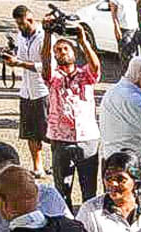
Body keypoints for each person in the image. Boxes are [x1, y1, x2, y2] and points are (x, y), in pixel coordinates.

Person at [40, 18, 101, 210]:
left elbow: (96, 66)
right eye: (58, 50)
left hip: (87, 137)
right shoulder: (54, 76)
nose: (62, 52)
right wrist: (47, 34)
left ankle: (88, 221)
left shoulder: (85, 74)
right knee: (62, 189)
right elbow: (45, 64)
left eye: (66, 48)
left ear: (74, 53)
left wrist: (83, 41)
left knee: (89, 189)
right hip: (61, 138)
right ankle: (64, 221)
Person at [99, 56, 141, 196]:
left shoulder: (116, 90)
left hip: (116, 160)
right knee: (135, 203)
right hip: (132, 166)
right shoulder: (133, 99)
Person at [3, 6, 50, 177]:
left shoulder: (45, 37)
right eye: (17, 24)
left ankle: (57, 162)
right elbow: (21, 57)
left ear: (30, 20)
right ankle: (38, 166)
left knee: (49, 131)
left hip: (43, 90)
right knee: (30, 132)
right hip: (26, 91)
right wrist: (11, 56)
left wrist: (20, 64)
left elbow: (48, 67)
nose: (20, 27)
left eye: (22, 24)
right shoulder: (21, 36)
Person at [109, 0, 140, 69]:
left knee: (135, 56)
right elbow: (113, 15)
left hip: (134, 29)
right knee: (126, 58)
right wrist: (117, 28)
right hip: (124, 30)